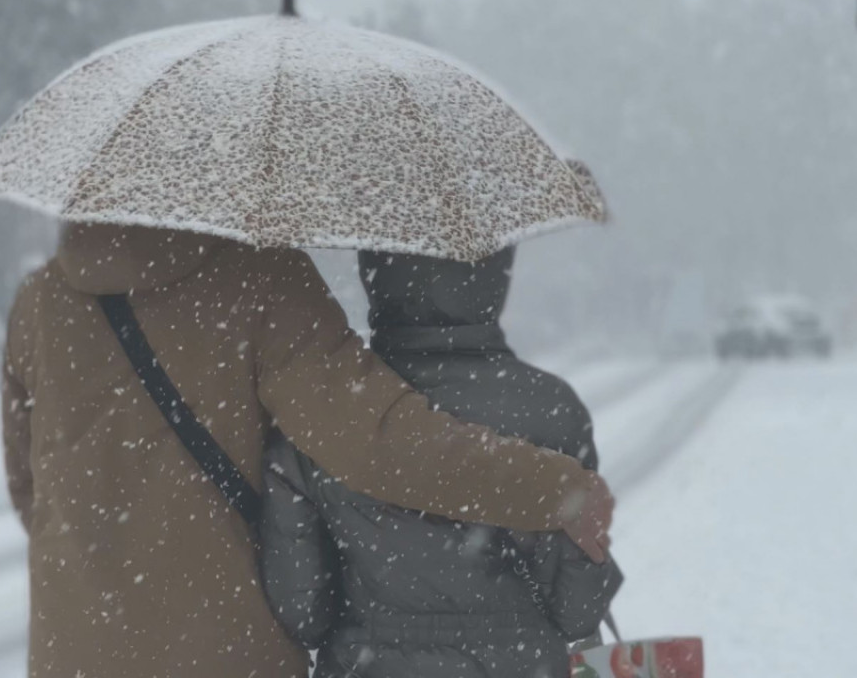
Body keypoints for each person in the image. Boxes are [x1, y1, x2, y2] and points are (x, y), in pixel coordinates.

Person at [1, 222, 614, 678]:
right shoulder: (259, 278)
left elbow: (30, 488)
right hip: (227, 655)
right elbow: (380, 443)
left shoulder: (39, 300)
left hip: (72, 651)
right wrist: (553, 490)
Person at [258, 248, 622, 678]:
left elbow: (303, 613)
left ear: (374, 271)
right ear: (492, 276)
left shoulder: (328, 411)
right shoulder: (551, 409)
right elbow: (576, 613)